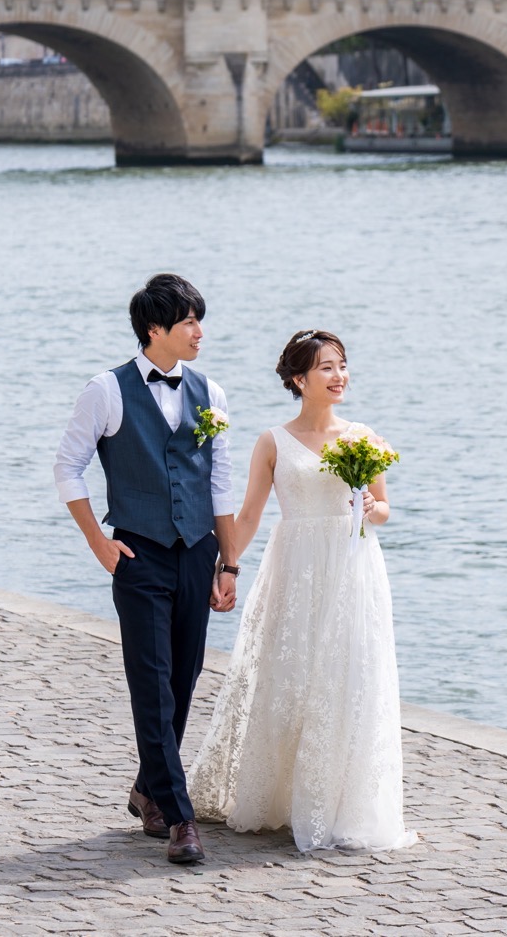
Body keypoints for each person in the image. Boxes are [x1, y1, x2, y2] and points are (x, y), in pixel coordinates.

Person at [188, 330, 416, 852]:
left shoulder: (362, 437)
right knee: (289, 678)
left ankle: (341, 804)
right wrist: (227, 567)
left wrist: (369, 507)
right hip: (294, 569)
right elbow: (249, 514)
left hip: (352, 570)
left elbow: (384, 508)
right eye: (326, 368)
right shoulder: (273, 441)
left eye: (342, 365)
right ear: (298, 379)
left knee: (349, 678)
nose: (339, 376)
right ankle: (283, 798)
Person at [53, 273, 238, 865]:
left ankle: (147, 790)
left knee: (183, 679)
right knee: (152, 681)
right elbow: (67, 467)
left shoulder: (211, 391)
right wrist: (98, 543)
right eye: (188, 321)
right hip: (137, 552)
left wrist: (229, 563)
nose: (199, 332)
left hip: (197, 551)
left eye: (199, 320)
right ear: (155, 329)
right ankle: (181, 818)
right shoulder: (106, 390)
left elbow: (219, 483)